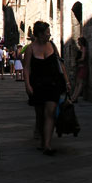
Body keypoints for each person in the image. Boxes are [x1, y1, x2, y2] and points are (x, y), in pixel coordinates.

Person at [23, 21, 71, 155]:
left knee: (50, 113)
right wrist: (27, 84)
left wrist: (66, 81)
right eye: (47, 33)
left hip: (53, 83)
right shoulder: (30, 49)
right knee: (40, 115)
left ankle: (47, 145)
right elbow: (26, 68)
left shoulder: (52, 46)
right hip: (37, 85)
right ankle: (43, 140)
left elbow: (60, 64)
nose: (49, 35)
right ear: (39, 34)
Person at [71, 36, 88, 102]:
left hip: (83, 67)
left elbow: (83, 58)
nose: (78, 42)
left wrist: (78, 60)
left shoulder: (83, 48)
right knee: (77, 83)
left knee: (80, 83)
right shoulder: (81, 48)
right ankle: (73, 97)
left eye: (79, 41)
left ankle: (75, 98)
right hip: (80, 67)